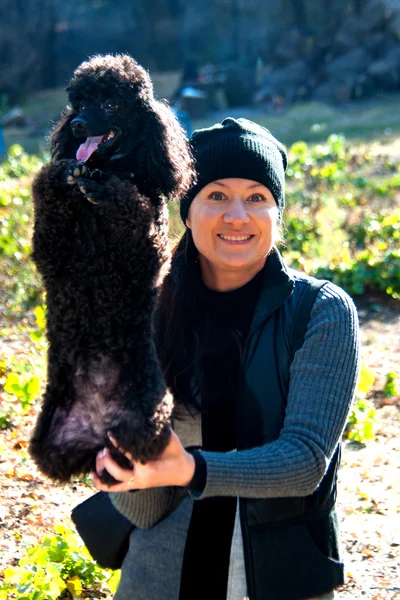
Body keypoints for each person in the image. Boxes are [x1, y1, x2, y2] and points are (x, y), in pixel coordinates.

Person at [92, 118, 360, 600]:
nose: (237, 215)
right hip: (161, 577)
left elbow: (305, 461)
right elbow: (146, 508)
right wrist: (123, 470)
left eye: (257, 197)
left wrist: (190, 469)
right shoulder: (146, 314)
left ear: (277, 213)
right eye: (216, 195)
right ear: (187, 210)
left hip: (279, 575)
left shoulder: (320, 311)